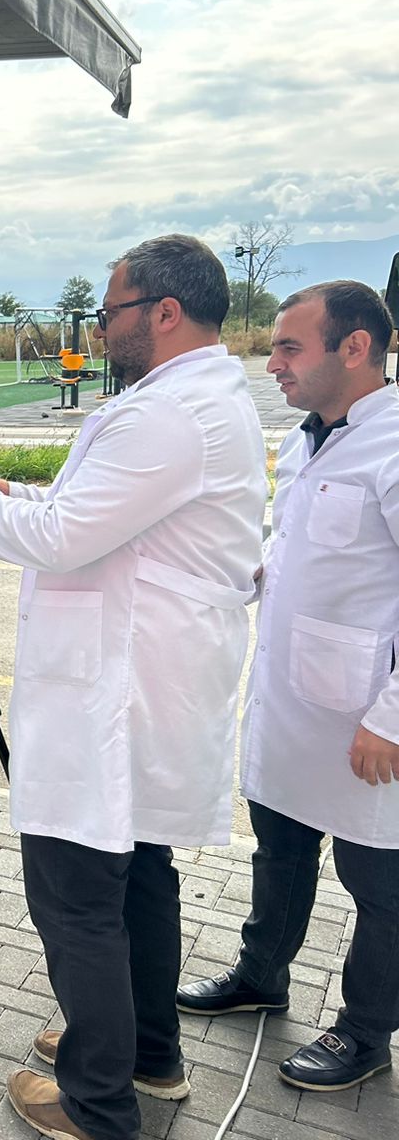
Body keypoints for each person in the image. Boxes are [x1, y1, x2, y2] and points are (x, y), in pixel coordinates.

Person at [0, 234, 267, 1140]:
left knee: (76, 898)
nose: (100, 329)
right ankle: (147, 1054)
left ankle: (99, 1105)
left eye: (111, 312)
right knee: (136, 883)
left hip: (117, 695)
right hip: (140, 685)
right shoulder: (191, 401)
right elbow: (86, 517)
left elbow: (68, 541)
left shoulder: (168, 416)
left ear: (164, 313)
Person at [176, 280, 399, 1092]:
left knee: (382, 889)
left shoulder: (395, 445)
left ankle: (366, 1032)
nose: (271, 363)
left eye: (288, 348)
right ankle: (261, 977)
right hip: (293, 708)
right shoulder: (308, 440)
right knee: (282, 853)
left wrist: (392, 719)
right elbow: (297, 552)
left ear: (356, 348)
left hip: (368, 723)